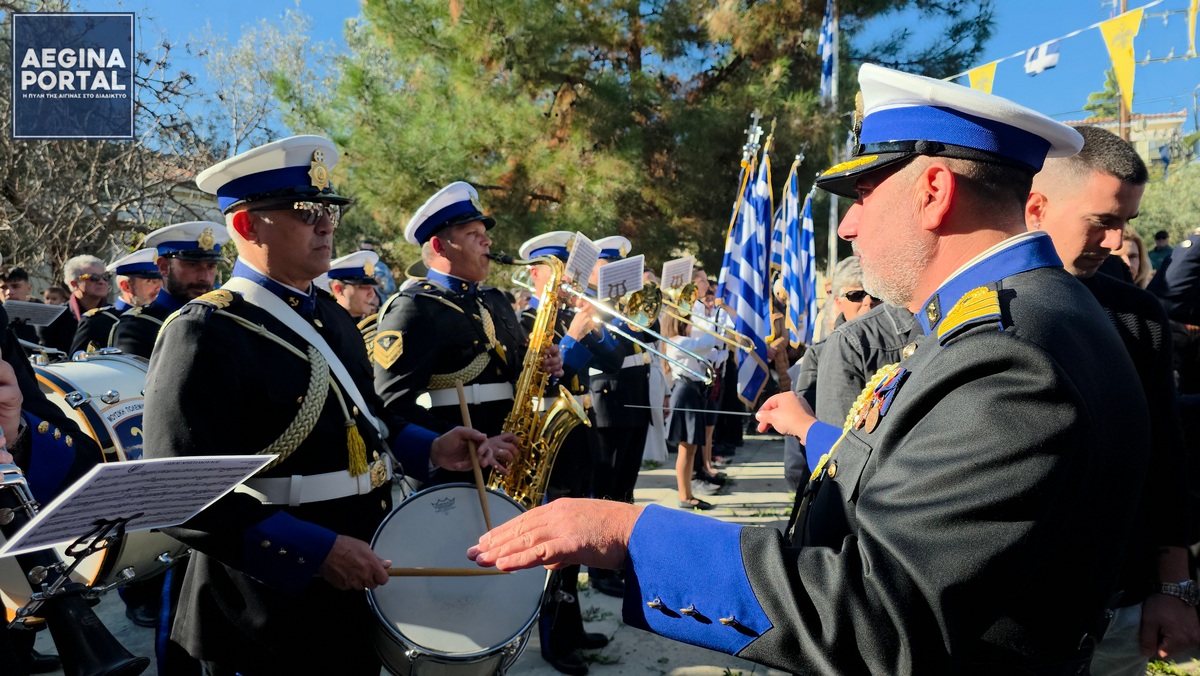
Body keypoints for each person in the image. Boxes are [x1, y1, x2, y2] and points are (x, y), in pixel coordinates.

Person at [469, 63, 1151, 675]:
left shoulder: (1006, 353)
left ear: (934, 191)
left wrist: (632, 534)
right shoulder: (1036, 314)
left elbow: (880, 614)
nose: (849, 227)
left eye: (862, 195)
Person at [143, 135, 518, 675]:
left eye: (328, 211)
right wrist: (313, 551)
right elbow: (179, 492)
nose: (325, 225)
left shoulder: (334, 318)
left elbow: (370, 416)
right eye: (305, 212)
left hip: (357, 572)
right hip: (267, 601)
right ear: (248, 226)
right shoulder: (205, 330)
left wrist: (431, 446)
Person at [1026, 125, 1200, 674]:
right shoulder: (962, 308)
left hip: (1115, 611)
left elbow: (1164, 456)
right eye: (1102, 222)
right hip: (995, 618)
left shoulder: (1135, 315)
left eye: (1125, 225)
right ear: (1036, 207)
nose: (1117, 242)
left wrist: (1175, 586)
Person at [373, 181, 560, 486]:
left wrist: (545, 368)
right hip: (457, 473)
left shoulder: (495, 300)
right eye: (473, 235)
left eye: (485, 235)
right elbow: (392, 405)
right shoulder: (415, 307)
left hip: (512, 463)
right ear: (439, 246)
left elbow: (517, 376)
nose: (487, 243)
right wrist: (472, 443)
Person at [519, 231, 618, 675]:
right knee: (555, 544)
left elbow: (613, 359)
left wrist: (591, 327)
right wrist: (576, 337)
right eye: (560, 274)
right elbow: (552, 373)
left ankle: (572, 627)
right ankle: (553, 639)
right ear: (537, 275)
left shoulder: (567, 319)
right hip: (549, 445)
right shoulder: (524, 323)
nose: (568, 283)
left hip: (578, 439)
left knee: (575, 541)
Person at [111, 221, 228, 359]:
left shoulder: (225, 319)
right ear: (163, 267)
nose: (204, 277)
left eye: (211, 265)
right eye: (192, 264)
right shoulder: (138, 327)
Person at [660, 311, 718, 510]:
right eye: (690, 321)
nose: (692, 325)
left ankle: (687, 494)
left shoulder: (683, 342)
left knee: (690, 448)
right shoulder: (679, 341)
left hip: (692, 391)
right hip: (685, 392)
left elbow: (711, 353)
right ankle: (685, 496)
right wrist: (710, 323)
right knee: (686, 448)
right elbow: (707, 343)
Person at [70, 248, 162, 354]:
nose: (158, 288)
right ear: (126, 286)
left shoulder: (161, 317)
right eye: (150, 281)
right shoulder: (96, 323)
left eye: (160, 281)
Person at [38, 255, 109, 353]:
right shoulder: (53, 320)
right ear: (74, 284)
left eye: (105, 277)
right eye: (93, 277)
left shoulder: (116, 316)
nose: (102, 282)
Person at [322, 250, 381, 321]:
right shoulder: (326, 325)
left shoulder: (373, 322)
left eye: (372, 287)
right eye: (364, 287)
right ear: (338, 289)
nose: (373, 294)